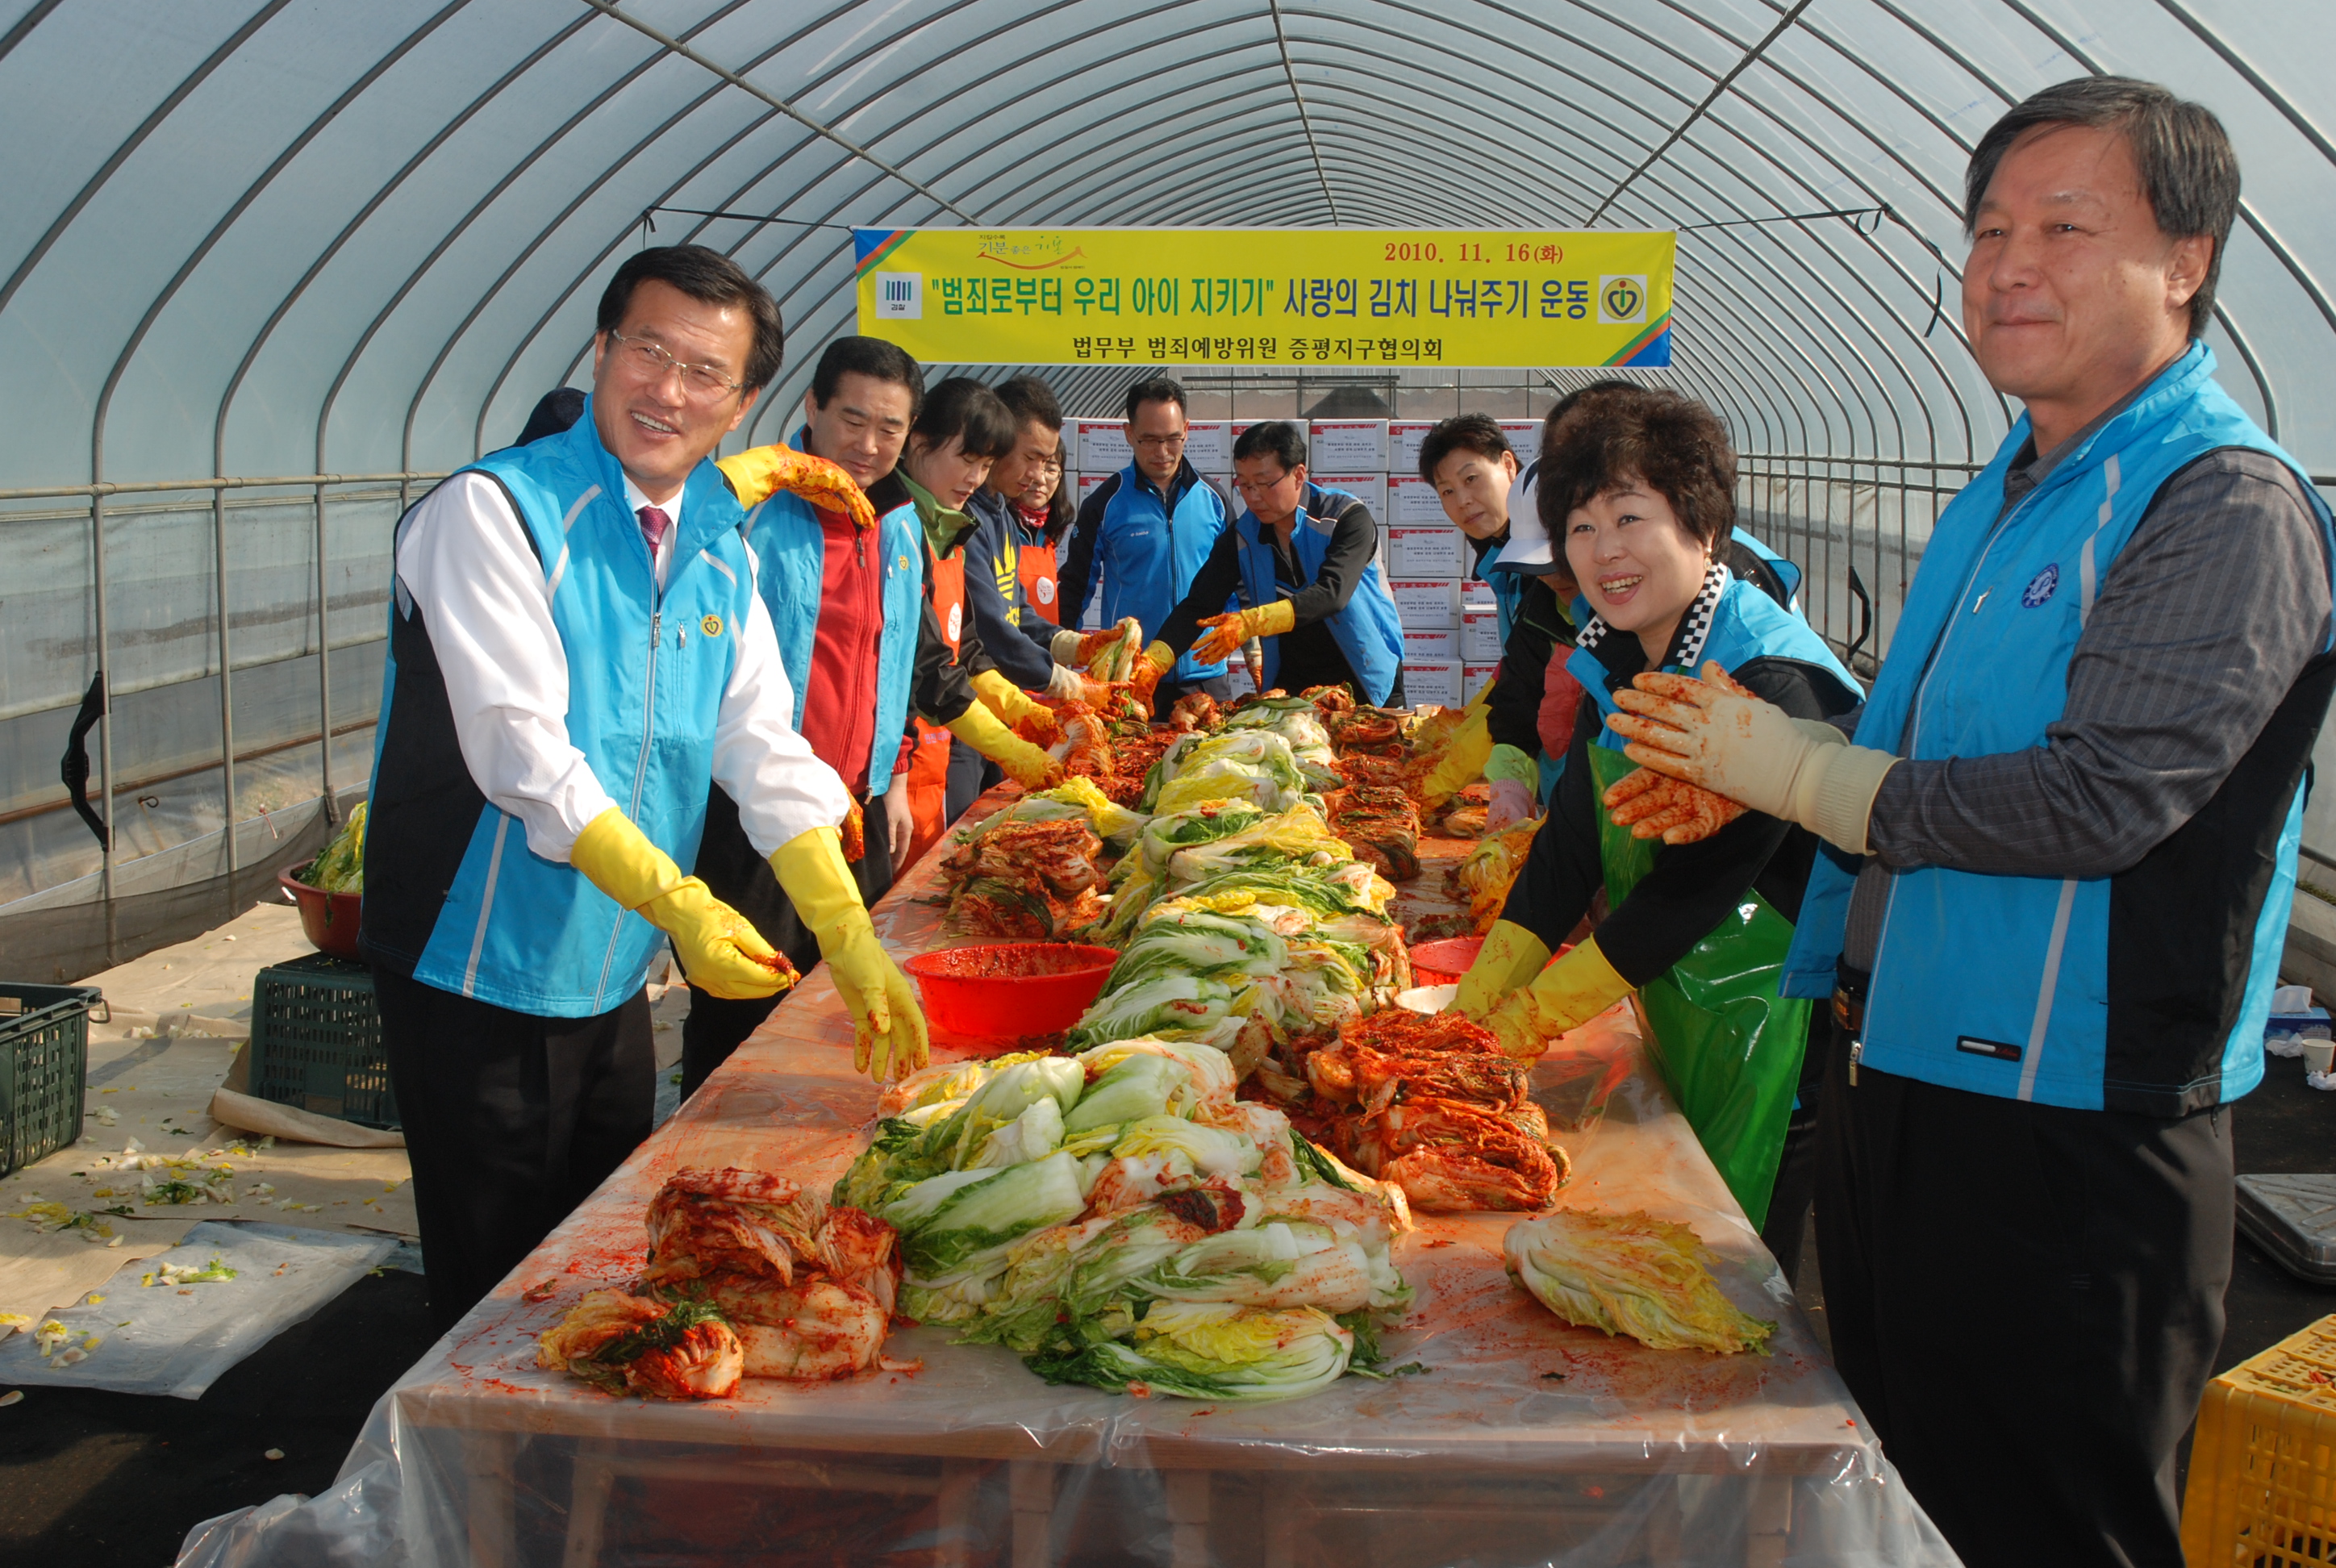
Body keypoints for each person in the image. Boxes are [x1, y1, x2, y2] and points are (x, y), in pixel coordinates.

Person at [1604, 78, 2335, 1567]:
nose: (2008, 266)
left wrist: (1803, 775)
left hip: (2072, 1127)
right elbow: (1924, 762)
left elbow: (2102, 797)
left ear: (2187, 260)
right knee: (1912, 1501)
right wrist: (1778, 762)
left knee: (2045, 1520)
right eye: (1989, 230)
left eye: (2066, 229)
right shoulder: (2006, 491)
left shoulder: (2220, 504)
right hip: (1902, 1074)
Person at [357, 247, 925, 1332]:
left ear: (744, 405)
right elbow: (523, 753)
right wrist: (681, 902)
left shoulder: (716, 545)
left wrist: (846, 931)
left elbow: (757, 740)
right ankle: (470, 1436)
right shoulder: (496, 512)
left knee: (604, 1252)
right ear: (601, 350)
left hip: (613, 966)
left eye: (705, 372)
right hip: (481, 961)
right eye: (648, 351)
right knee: (496, 1283)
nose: (668, 390)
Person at [1445, 391, 1859, 1286]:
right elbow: (1572, 846)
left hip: (1769, 1018)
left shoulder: (1768, 679)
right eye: (1582, 528)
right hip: (1673, 988)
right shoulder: (1621, 653)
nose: (1604, 552)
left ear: (1702, 526)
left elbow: (1695, 888)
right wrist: (1477, 1004)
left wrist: (1530, 1020)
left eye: (1630, 518)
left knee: (1729, 1272)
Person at [694, 348, 1059, 1094]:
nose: (867, 445)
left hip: (852, 810)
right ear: (811, 408)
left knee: (843, 1014)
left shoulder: (895, 527)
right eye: (851, 420)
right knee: (746, 1021)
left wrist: (892, 775)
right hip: (753, 817)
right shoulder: (755, 516)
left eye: (888, 428)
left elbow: (914, 666)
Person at [892, 376, 1066, 867]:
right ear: (919, 442)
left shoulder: (955, 524)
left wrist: (1025, 711)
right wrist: (1010, 745)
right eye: (967, 460)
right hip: (902, 753)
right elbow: (931, 664)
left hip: (940, 741)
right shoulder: (898, 529)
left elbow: (966, 647)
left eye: (985, 465)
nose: (974, 478)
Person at [1142, 419, 1407, 706]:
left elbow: (1333, 593)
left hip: (1366, 678)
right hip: (1293, 685)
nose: (1253, 496)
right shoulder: (1242, 536)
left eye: (1265, 483)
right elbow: (1199, 604)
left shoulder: (1346, 517)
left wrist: (1250, 622)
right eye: (1245, 485)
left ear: (1298, 475)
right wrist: (1153, 663)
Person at [1059, 376, 1233, 707]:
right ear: (1129, 433)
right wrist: (1058, 661)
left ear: (1187, 430)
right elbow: (1075, 587)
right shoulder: (1105, 503)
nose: (1162, 452)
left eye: (1172, 439)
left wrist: (1251, 650)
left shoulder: (1215, 499)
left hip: (1206, 678)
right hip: (1130, 678)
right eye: (1149, 440)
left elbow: (1237, 584)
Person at [962, 375, 1079, 698]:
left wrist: (1076, 646)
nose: (1037, 475)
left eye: (1047, 463)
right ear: (998, 437)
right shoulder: (967, 519)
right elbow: (991, 629)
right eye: (1031, 458)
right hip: (970, 700)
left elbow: (1016, 611)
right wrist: (1061, 680)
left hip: (1004, 697)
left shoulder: (1002, 511)